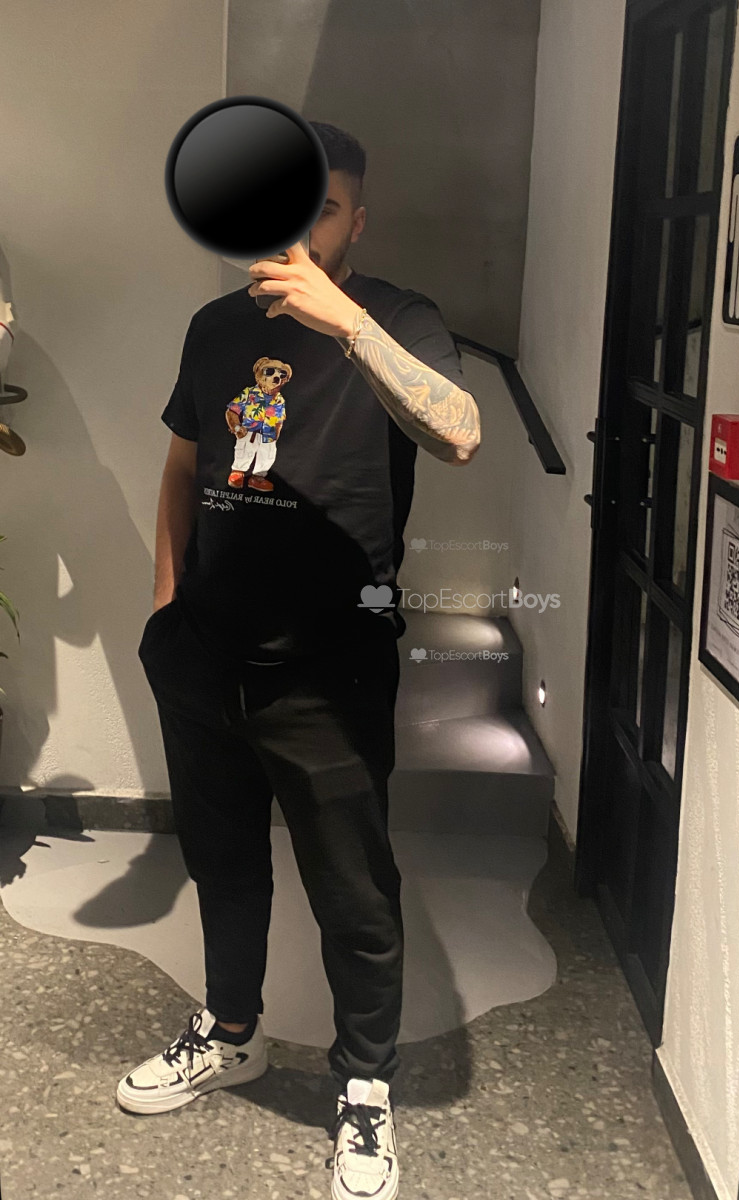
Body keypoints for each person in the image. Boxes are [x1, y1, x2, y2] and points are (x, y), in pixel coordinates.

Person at [115, 121, 481, 1200]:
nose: (300, 227)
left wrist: (347, 324)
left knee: (354, 894)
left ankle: (363, 1085)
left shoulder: (400, 318)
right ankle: (232, 1032)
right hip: (203, 656)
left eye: (322, 208)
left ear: (356, 221)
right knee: (223, 863)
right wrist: (166, 610)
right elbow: (182, 465)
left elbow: (459, 432)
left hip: (330, 669)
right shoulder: (214, 326)